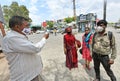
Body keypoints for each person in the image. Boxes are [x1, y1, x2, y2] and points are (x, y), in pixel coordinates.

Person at [1, 16, 49, 81]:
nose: (28, 28)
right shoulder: (12, 38)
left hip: (32, 74)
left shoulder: (17, 36)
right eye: (26, 26)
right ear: (17, 27)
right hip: (26, 77)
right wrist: (44, 38)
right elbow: (35, 49)